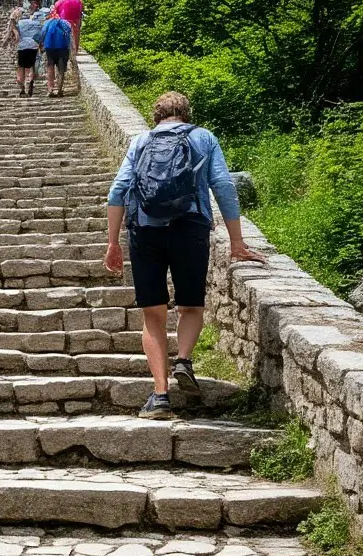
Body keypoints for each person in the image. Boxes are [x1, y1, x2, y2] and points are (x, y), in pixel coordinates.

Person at [104, 92, 267, 420]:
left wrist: (112, 243)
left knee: (153, 315)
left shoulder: (140, 142)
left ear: (156, 115)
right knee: (191, 305)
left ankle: (160, 394)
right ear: (187, 114)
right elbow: (223, 186)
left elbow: (118, 190)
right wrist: (237, 242)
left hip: (145, 231)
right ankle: (184, 360)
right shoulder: (203, 138)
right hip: (190, 228)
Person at [39, 11, 73, 97]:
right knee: (61, 68)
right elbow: (69, 33)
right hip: (62, 47)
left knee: (50, 66)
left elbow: (42, 33)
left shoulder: (48, 22)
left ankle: (50, 89)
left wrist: (41, 44)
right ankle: (59, 90)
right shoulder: (65, 23)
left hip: (49, 46)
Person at [15, 8, 44, 97]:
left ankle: (22, 88)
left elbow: (16, 35)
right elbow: (40, 35)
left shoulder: (19, 23)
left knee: (21, 67)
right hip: (33, 46)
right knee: (31, 66)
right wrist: (40, 45)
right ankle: (30, 81)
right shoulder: (37, 23)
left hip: (22, 46)